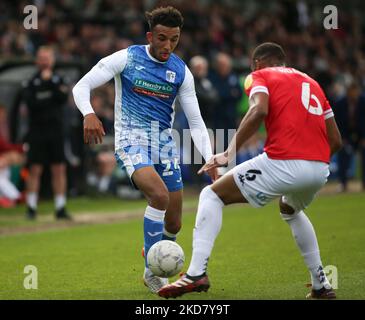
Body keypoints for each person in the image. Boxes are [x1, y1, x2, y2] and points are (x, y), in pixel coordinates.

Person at [158, 42, 342, 299]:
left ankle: (196, 273)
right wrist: (311, 164)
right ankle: (321, 285)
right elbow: (336, 141)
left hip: (284, 162)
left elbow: (259, 109)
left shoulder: (260, 75)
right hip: (319, 168)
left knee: (211, 195)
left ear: (256, 64)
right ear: (283, 61)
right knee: (290, 209)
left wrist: (227, 153)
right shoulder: (311, 82)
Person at [72, 6, 216, 293]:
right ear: (151, 35)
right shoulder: (127, 58)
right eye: (161, 38)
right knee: (159, 197)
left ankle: (153, 249)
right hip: (131, 140)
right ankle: (153, 271)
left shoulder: (180, 71)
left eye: (173, 39)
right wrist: (88, 113)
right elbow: (82, 86)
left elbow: (197, 121)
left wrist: (211, 157)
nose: (167, 45)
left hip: (164, 145)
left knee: (174, 223)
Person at [20, 46, 71, 220]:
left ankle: (60, 207)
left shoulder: (59, 79)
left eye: (47, 58)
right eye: (41, 58)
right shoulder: (30, 81)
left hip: (56, 131)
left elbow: (63, 99)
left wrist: (48, 86)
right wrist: (47, 91)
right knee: (35, 169)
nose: (44, 61)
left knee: (59, 169)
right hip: (37, 131)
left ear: (53, 60)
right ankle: (31, 207)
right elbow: (32, 104)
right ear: (37, 60)